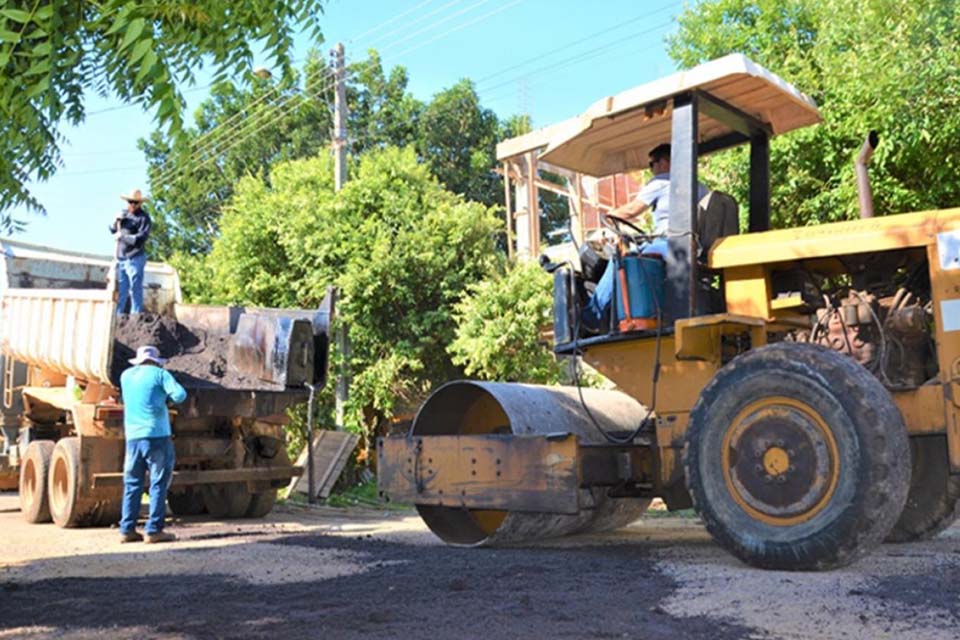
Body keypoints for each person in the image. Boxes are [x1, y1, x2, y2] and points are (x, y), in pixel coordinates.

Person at [581, 144, 707, 332]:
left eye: (652, 164)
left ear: (664, 162)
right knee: (636, 250)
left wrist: (608, 216)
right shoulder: (698, 185)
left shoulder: (662, 182)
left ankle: (593, 316)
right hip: (691, 245)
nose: (652, 170)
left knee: (621, 259)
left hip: (669, 243)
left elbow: (632, 210)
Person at [119, 345, 187, 543]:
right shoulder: (160, 374)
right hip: (157, 435)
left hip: (132, 437)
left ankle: (127, 529)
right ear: (156, 361)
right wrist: (165, 399)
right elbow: (180, 395)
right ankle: (154, 530)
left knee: (132, 483)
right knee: (158, 483)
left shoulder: (126, 376)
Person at [109, 189, 152, 315]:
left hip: (135, 257)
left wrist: (123, 237)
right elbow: (112, 229)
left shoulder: (144, 218)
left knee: (135, 288)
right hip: (121, 258)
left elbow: (141, 238)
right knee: (122, 289)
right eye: (130, 202)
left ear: (140, 204)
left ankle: (135, 316)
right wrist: (115, 221)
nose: (132, 205)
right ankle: (119, 316)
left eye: (135, 202)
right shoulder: (123, 215)